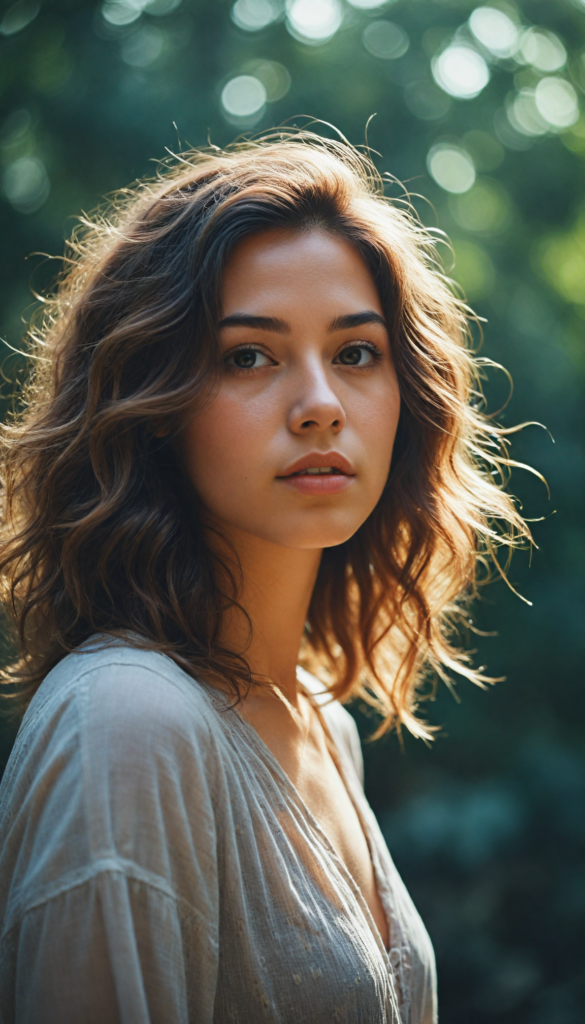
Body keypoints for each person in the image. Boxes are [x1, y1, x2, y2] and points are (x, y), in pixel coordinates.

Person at [0, 130, 530, 1023]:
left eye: (357, 353)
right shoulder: (128, 722)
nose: (321, 402)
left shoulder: (324, 723)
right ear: (153, 403)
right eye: (249, 355)